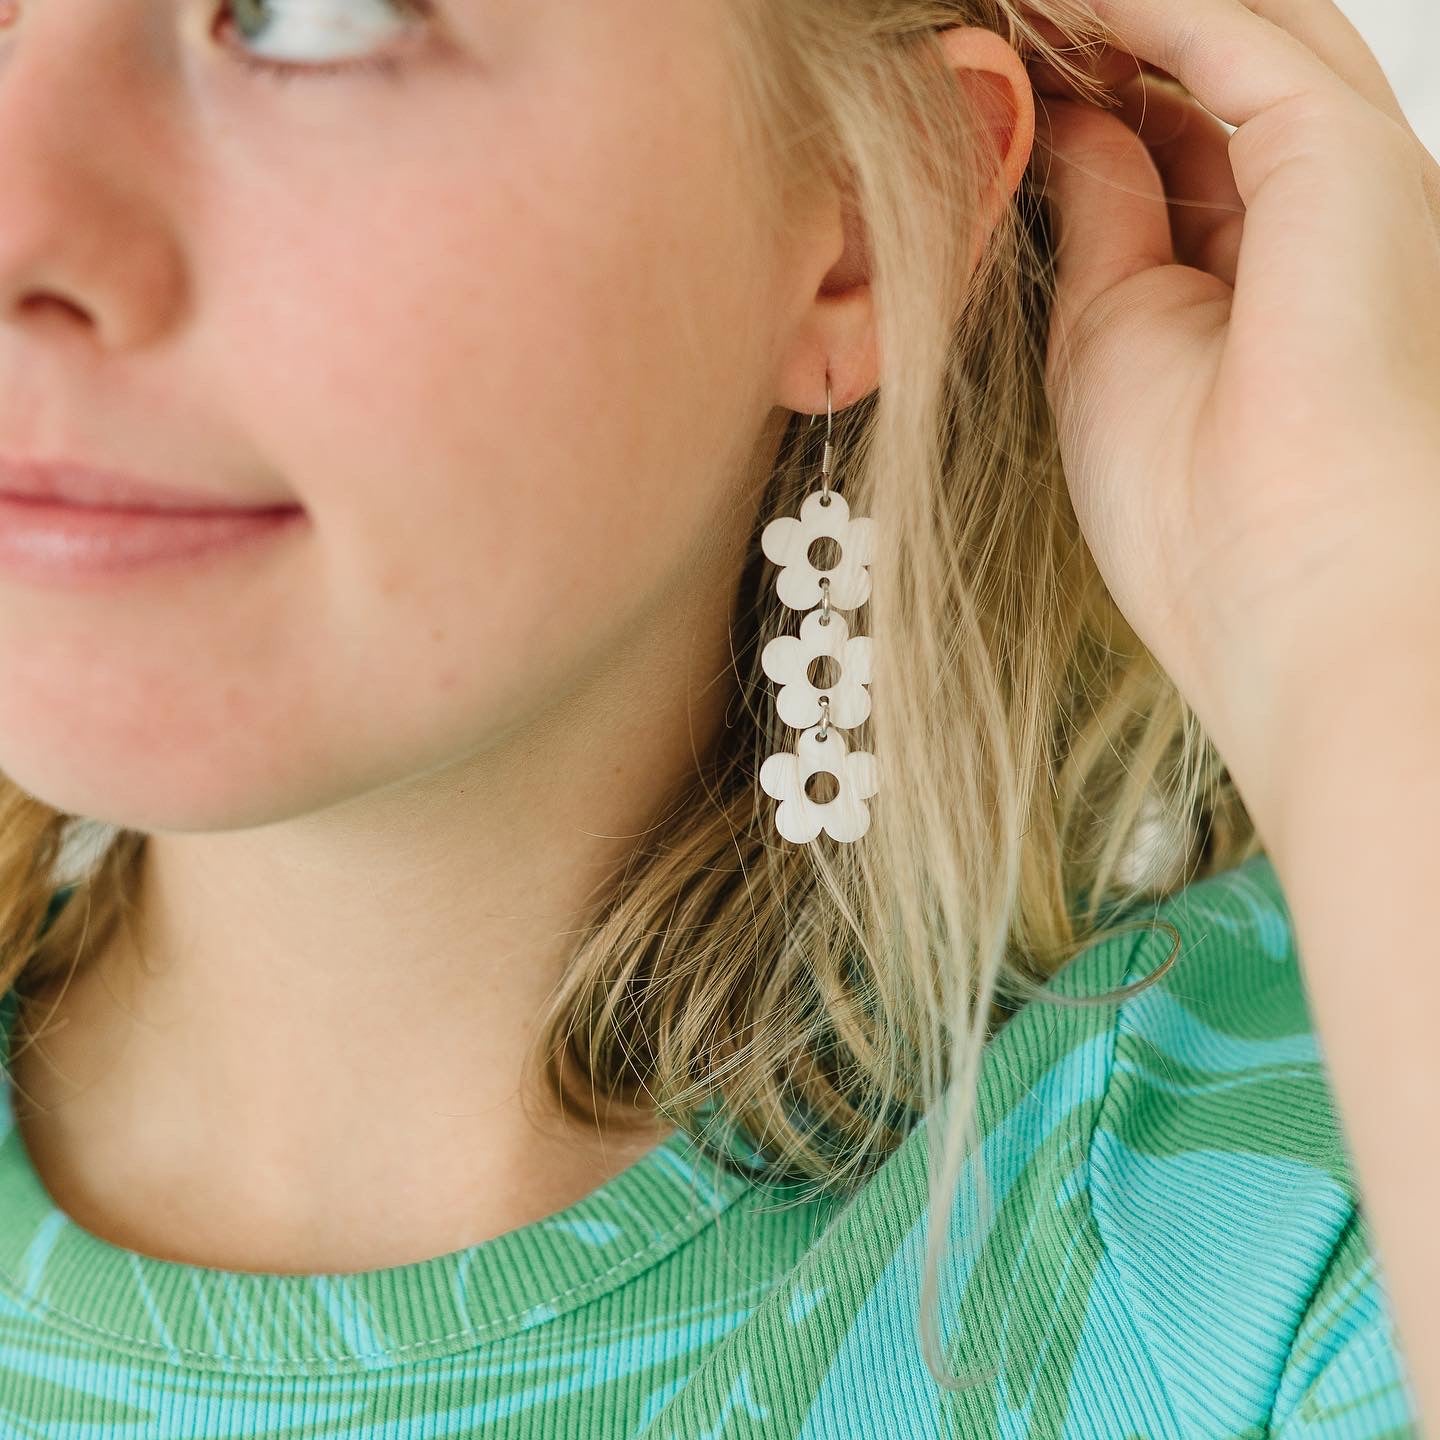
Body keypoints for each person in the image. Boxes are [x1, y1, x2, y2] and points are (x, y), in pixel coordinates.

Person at [0, 0, 1432, 1433]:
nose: (23, 227)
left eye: (308, 18)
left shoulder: (1282, 1205)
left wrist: (1351, 595)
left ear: (878, 219)